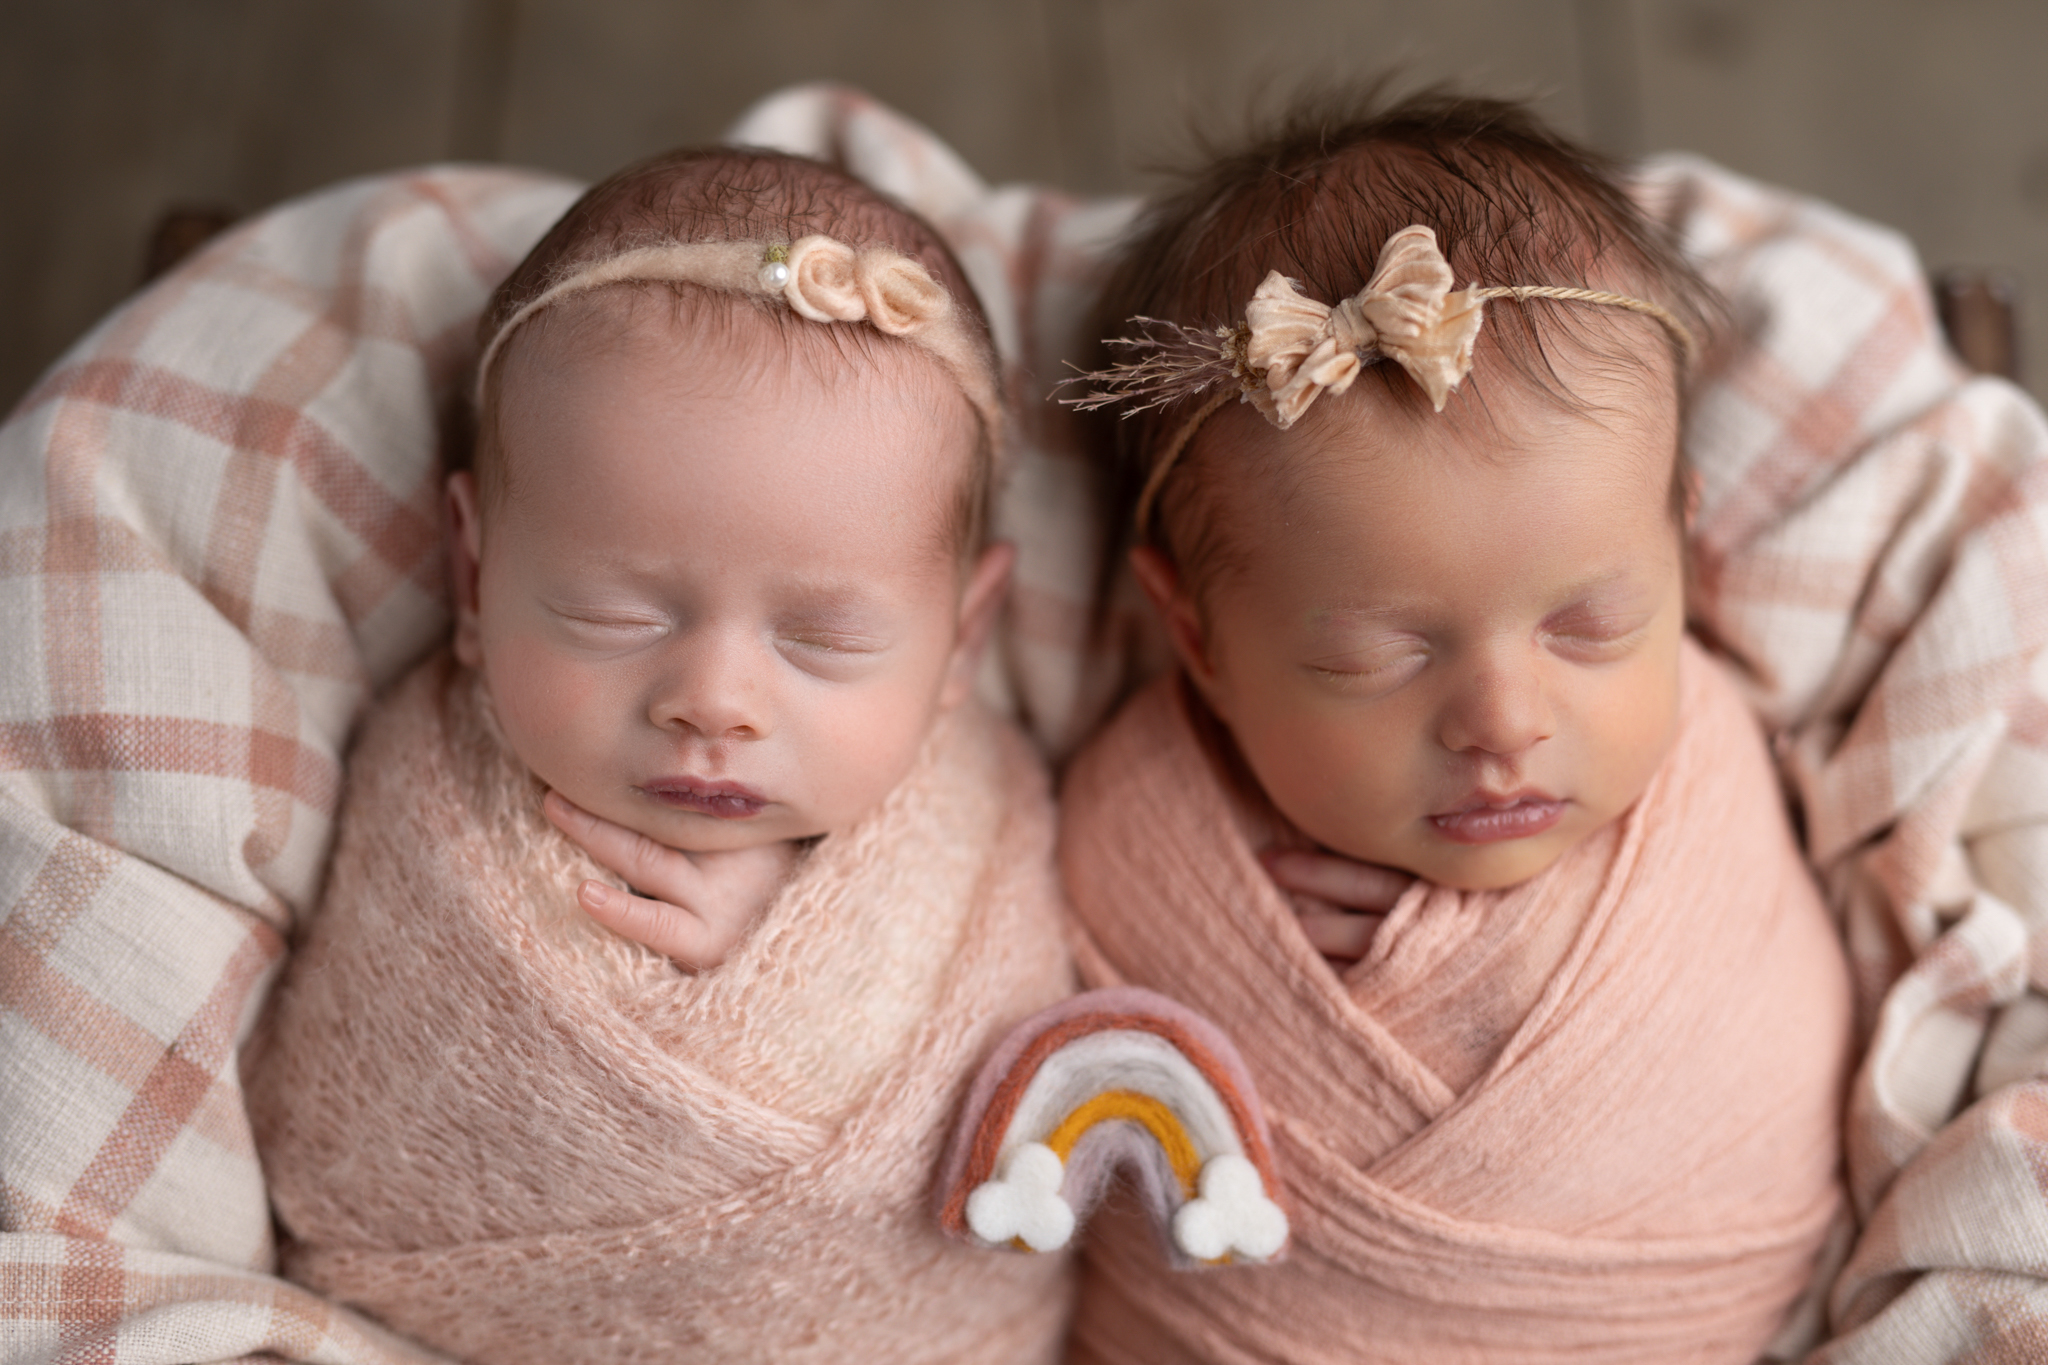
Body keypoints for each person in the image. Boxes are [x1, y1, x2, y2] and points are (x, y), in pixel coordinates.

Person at [240, 146, 1074, 1365]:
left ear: (963, 640)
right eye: (614, 615)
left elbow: (1028, 1061)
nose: (713, 701)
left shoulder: (987, 809)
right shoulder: (424, 801)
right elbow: (337, 1134)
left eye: (822, 636)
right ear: (473, 579)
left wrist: (808, 962)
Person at [1055, 92, 1854, 1364]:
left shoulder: (1719, 746)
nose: (1503, 724)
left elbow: (1772, 1023)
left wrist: (1484, 962)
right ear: (1196, 635)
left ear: (1684, 547)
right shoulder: (1126, 818)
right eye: (1375, 654)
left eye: (1589, 625)